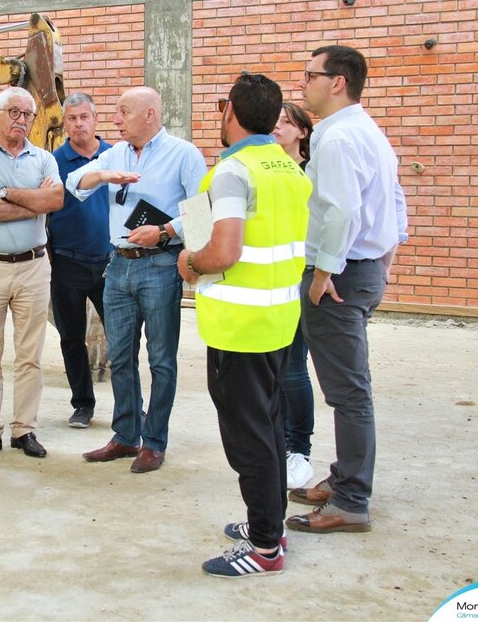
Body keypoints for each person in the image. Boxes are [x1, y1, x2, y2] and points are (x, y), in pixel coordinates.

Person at [178, 74, 311, 578]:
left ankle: (263, 549)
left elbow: (222, 250)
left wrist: (190, 263)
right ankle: (270, 524)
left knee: (248, 436)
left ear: (230, 111)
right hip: (278, 318)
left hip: (238, 325)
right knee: (270, 426)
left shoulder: (233, 172)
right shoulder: (289, 169)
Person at [286, 45, 408, 534]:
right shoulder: (366, 130)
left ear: (337, 82)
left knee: (349, 393)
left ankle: (351, 501)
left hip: (338, 277)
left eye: (310, 75)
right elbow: (393, 200)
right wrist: (385, 259)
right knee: (349, 387)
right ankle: (343, 479)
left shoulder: (337, 139)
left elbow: (340, 212)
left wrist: (322, 275)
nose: (303, 84)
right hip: (362, 269)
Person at [67, 86, 207, 473]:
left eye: (123, 112)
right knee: (121, 357)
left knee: (161, 359)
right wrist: (102, 174)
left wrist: (163, 231)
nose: (115, 120)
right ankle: (126, 435)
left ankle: (154, 441)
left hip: (160, 266)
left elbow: (200, 215)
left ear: (149, 114)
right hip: (119, 266)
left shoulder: (184, 154)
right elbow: (72, 183)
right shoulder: (115, 153)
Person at [0, 87, 64, 462]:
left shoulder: (44, 159)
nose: (21, 120)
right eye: (14, 112)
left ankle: (25, 429)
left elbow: (55, 200)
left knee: (30, 353)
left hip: (34, 266)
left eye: (28, 114)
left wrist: (4, 193)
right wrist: (30, 201)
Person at [48, 92, 113, 429]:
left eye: (84, 117)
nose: (78, 124)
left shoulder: (116, 156)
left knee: (122, 337)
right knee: (71, 337)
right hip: (67, 262)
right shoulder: (54, 162)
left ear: (95, 119)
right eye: (71, 119)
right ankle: (83, 404)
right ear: (65, 124)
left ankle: (129, 407)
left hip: (110, 262)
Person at [271, 102, 317, 490]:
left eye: (287, 122)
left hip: (300, 275)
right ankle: (281, 441)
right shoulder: (267, 169)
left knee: (293, 365)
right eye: (276, 121)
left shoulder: (308, 173)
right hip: (271, 279)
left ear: (302, 131)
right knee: (277, 365)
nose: (278, 127)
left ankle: (298, 448)